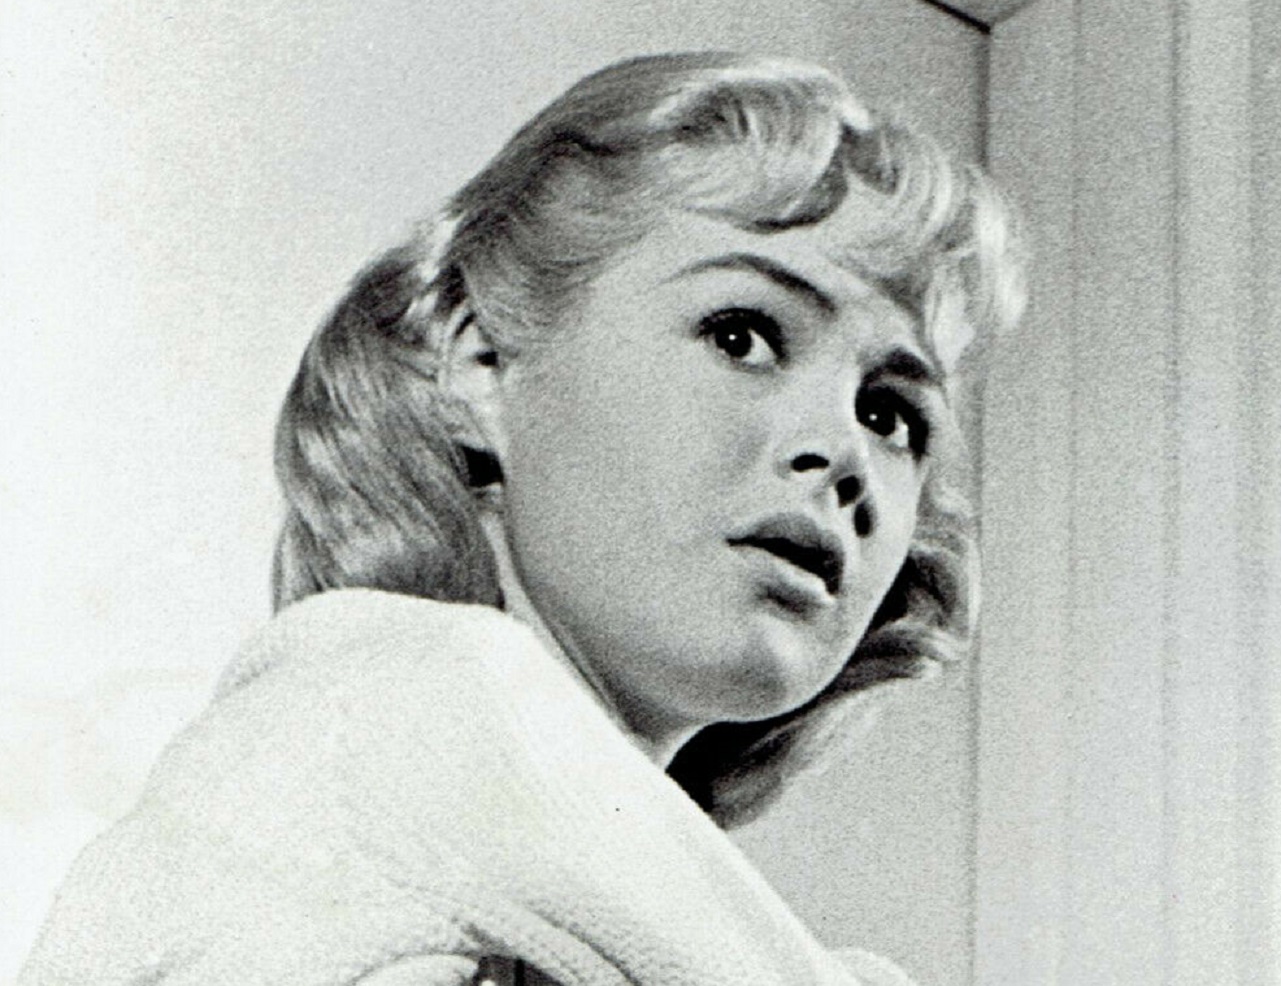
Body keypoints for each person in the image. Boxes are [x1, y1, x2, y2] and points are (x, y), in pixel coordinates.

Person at [20, 52, 1024, 986]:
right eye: (741, 334)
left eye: (891, 414)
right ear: (479, 365)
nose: (841, 449)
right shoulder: (405, 700)